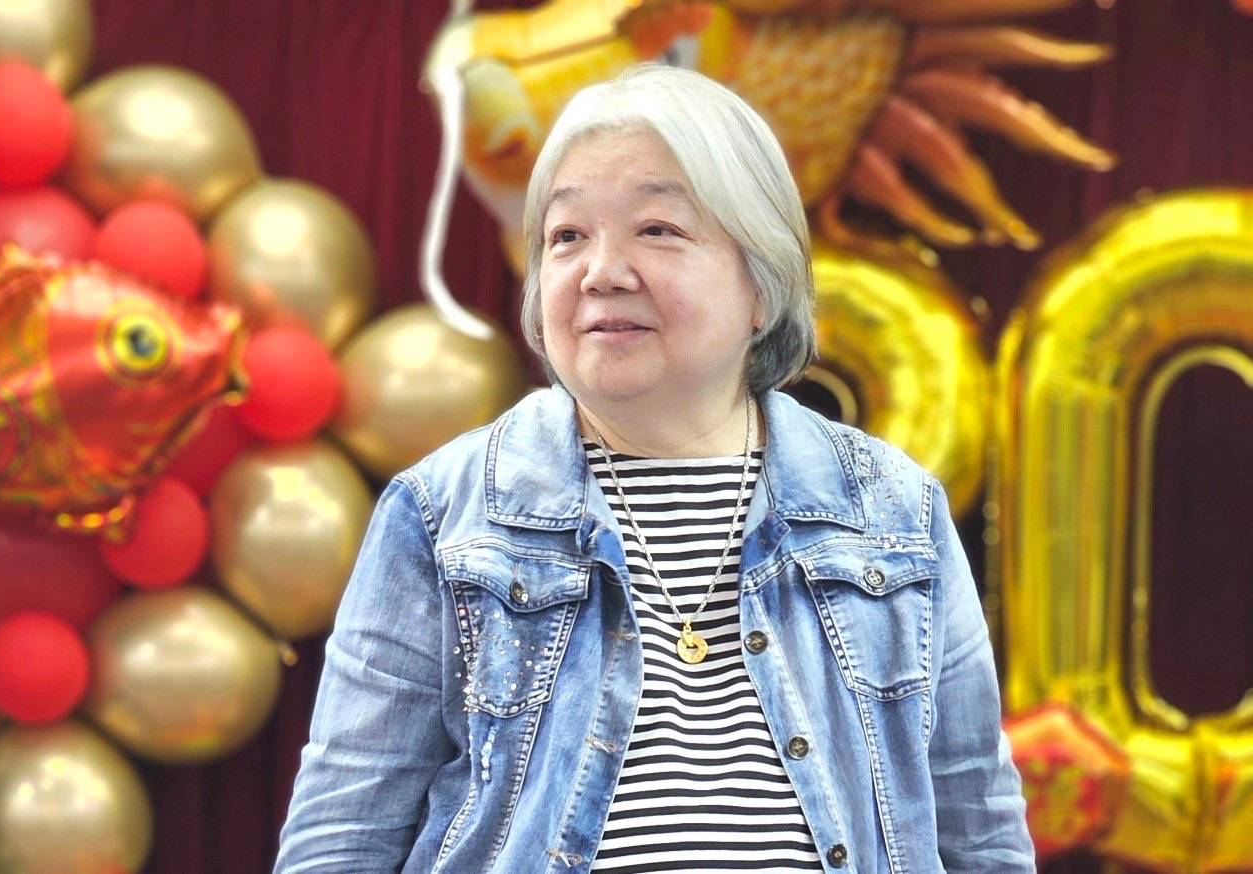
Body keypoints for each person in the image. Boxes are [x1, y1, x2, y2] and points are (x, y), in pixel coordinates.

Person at [274, 63, 1035, 873]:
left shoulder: (892, 511)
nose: (601, 271)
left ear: (761, 285)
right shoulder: (444, 514)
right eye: (567, 236)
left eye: (657, 230)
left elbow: (980, 838)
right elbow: (341, 841)